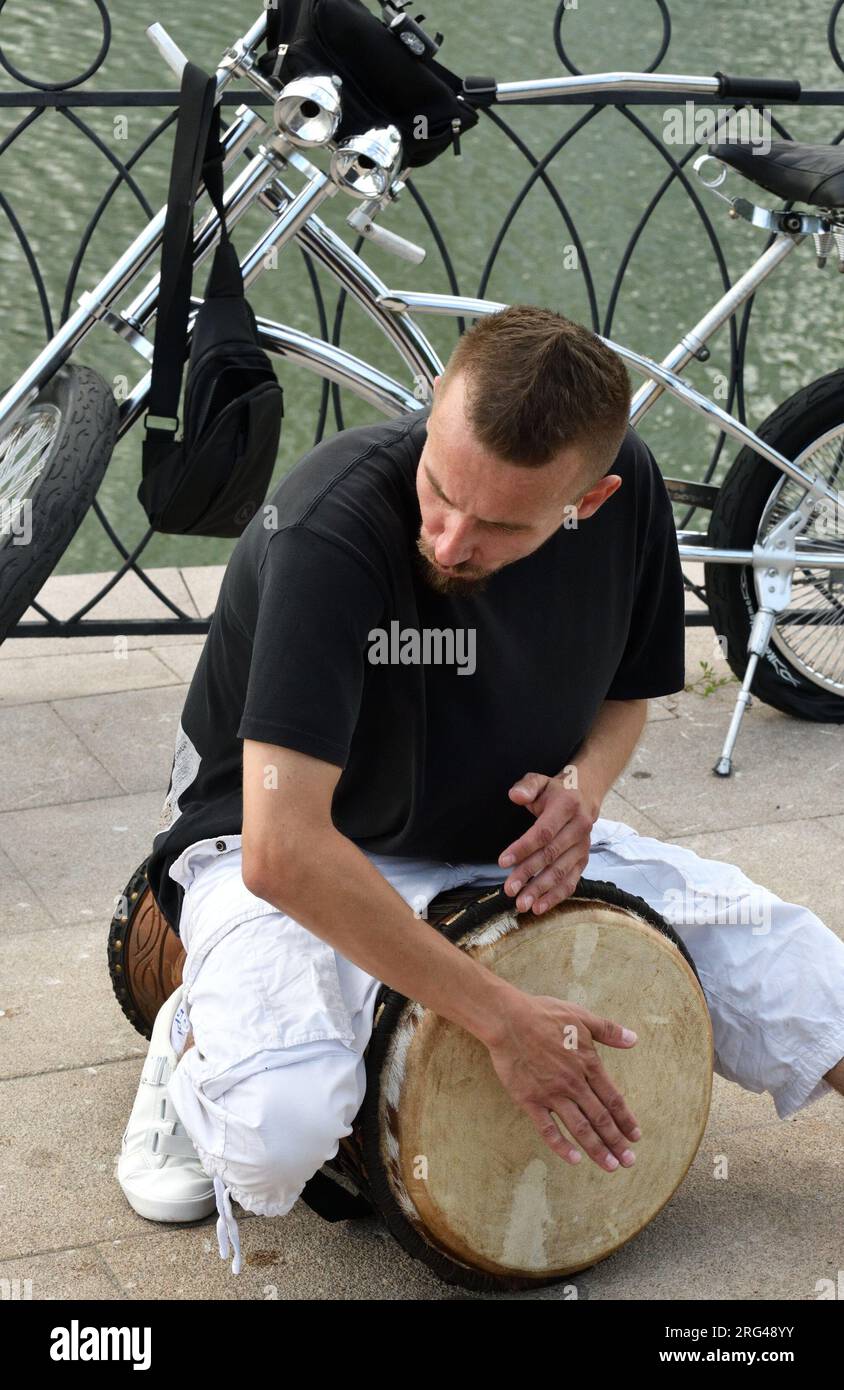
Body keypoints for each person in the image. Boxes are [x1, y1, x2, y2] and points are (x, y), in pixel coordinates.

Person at [117, 305, 844, 1276]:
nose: (451, 541)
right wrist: (501, 1018)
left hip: (489, 832)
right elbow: (280, 849)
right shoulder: (329, 529)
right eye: (439, 489)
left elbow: (628, 697)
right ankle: (190, 1036)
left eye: (500, 523)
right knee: (275, 1132)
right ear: (433, 408)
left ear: (589, 499)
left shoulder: (631, 511)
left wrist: (582, 791)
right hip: (290, 842)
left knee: (803, 975)